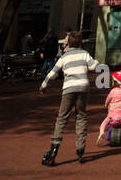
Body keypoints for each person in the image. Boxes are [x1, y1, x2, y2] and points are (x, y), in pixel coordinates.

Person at [39, 30, 101, 166]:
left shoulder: (64, 56)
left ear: (68, 43)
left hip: (69, 88)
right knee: (81, 116)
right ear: (81, 43)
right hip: (83, 88)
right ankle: (80, 149)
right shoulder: (84, 54)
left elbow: (53, 73)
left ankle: (53, 151)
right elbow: (94, 66)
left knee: (62, 119)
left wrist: (44, 85)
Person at [97, 69, 121, 146]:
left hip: (112, 115)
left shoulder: (113, 91)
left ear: (116, 82)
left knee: (104, 123)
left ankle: (101, 133)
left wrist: (106, 104)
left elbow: (107, 100)